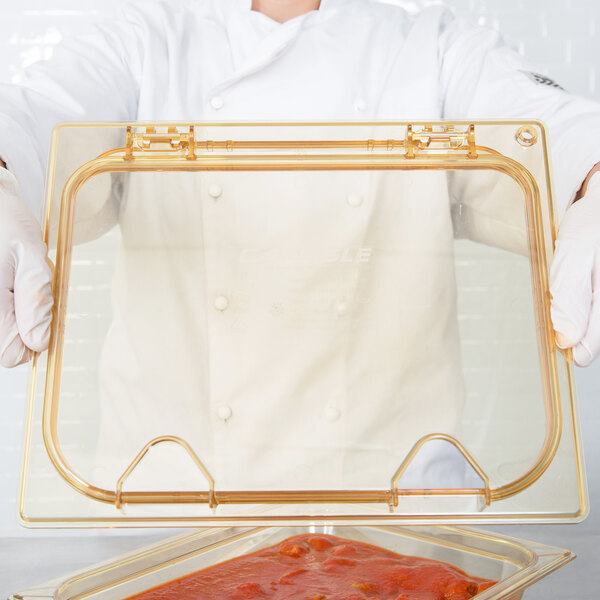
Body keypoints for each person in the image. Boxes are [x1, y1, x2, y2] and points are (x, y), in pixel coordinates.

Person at [0, 0, 599, 492]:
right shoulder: (144, 41)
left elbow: (542, 122)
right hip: (165, 515)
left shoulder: (432, 48)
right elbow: (37, 115)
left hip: (396, 524)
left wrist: (591, 181)